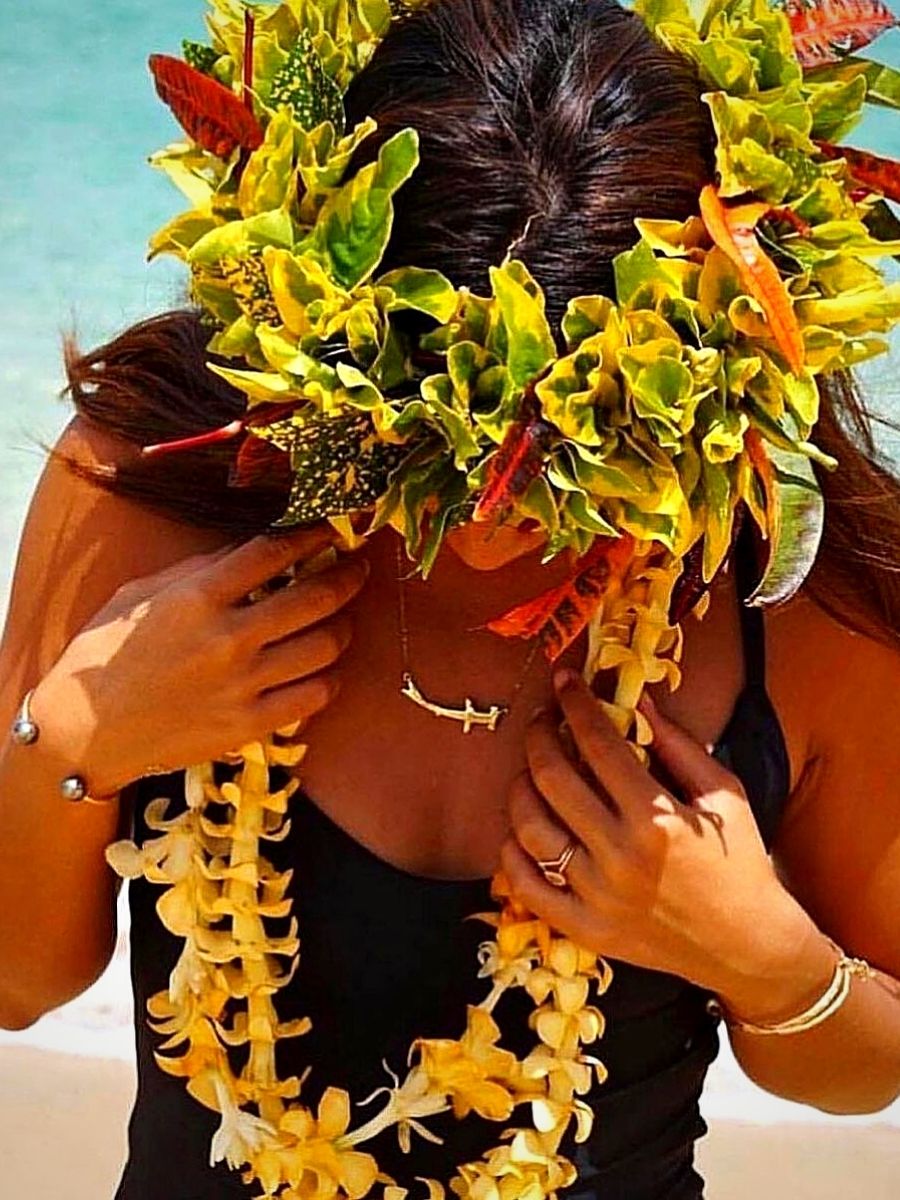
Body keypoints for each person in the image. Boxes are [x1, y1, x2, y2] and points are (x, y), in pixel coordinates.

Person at [1, 1, 899, 1197]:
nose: (487, 513)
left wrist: (770, 963)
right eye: (423, 431)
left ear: (716, 374)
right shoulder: (158, 484)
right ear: (319, 331)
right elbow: (18, 981)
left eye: (578, 443)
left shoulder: (788, 591)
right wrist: (72, 747)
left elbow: (861, 1076)